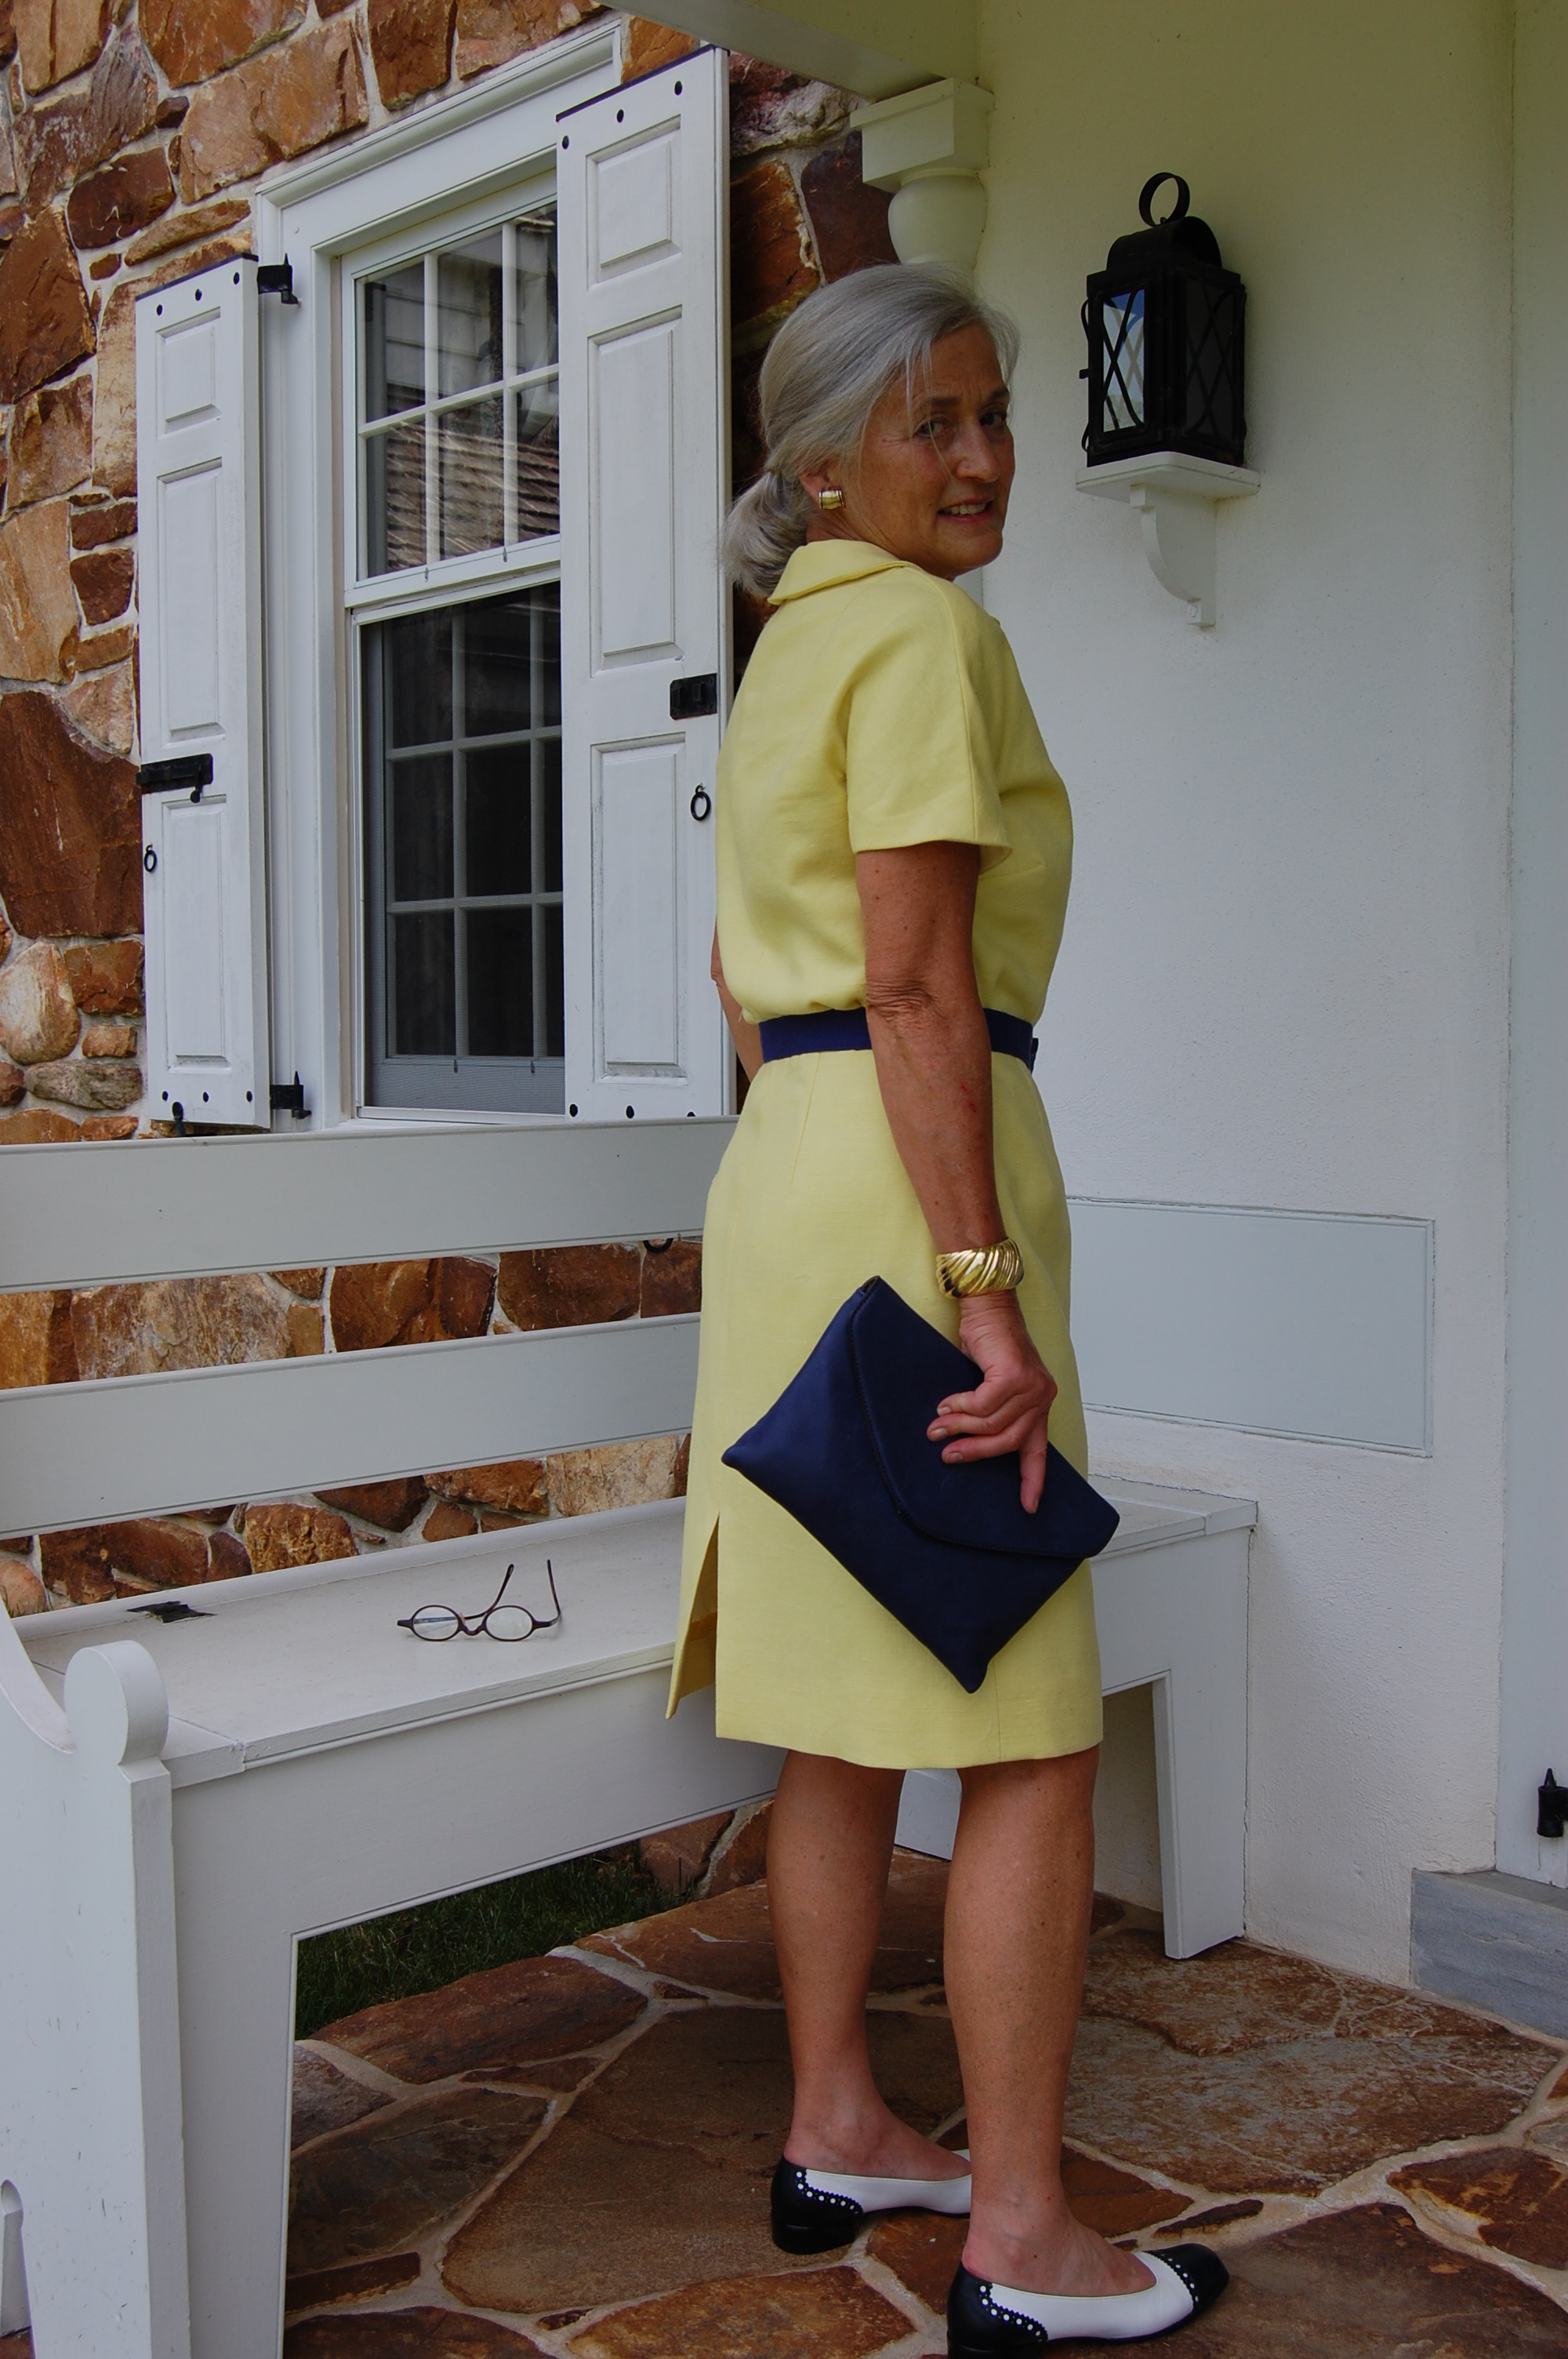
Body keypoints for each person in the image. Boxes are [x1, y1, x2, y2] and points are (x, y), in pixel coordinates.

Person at [666, 264, 1227, 2354]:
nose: (988, 457)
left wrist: (846, 1158)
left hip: (793, 1187)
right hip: (916, 1203)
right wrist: (984, 1293)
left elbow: (748, 984)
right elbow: (914, 982)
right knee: (1033, 1735)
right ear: (828, 468)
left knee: (840, 1719)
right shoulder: (916, 633)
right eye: (939, 424)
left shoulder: (792, 644)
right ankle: (1021, 2233)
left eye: (996, 414)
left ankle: (838, 2123)